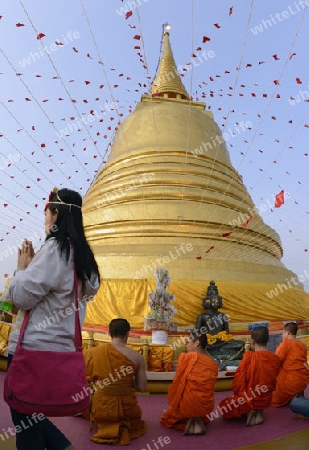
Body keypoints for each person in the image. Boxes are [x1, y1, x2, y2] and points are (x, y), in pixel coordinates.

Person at [4, 188, 100, 450]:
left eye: (46, 212)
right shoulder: (85, 258)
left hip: (33, 350)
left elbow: (21, 298)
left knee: (26, 424)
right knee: (31, 417)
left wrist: (22, 268)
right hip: (63, 351)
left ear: (56, 213)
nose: (45, 218)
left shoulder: (56, 249)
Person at [83, 318, 147, 445]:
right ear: (128, 334)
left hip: (102, 409)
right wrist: (124, 380)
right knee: (133, 420)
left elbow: (84, 378)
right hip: (127, 411)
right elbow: (142, 387)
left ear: (108, 333)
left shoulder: (92, 353)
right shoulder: (137, 357)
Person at [219, 326, 281, 426]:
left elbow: (238, 383)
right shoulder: (276, 359)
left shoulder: (248, 358)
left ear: (252, 342)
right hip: (265, 400)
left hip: (246, 401)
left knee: (223, 406)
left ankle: (250, 410)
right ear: (268, 340)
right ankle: (259, 411)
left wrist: (240, 396)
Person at [160, 332, 218, 435]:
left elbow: (178, 384)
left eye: (188, 343)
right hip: (205, 407)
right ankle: (196, 418)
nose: (186, 346)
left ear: (197, 343)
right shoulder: (213, 363)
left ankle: (190, 418)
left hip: (187, 405)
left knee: (167, 417)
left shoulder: (185, 358)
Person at [271, 322, 309, 407]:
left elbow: (276, 362)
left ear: (287, 333)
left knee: (273, 397)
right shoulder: (303, 345)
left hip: (290, 382)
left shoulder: (285, 344)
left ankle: (290, 395)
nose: (282, 336)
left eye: (283, 333)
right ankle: (296, 394)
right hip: (302, 380)